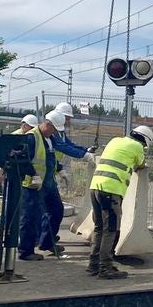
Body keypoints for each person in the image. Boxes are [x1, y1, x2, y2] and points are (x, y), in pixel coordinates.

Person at [87, 125, 153, 279]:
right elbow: (141, 164)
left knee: (99, 228)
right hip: (111, 190)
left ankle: (94, 264)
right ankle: (105, 268)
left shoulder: (115, 140)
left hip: (95, 186)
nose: (143, 147)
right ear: (144, 140)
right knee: (110, 230)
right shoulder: (136, 146)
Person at [37, 108, 95, 257]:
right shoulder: (48, 133)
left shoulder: (57, 131)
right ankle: (41, 241)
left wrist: (85, 150)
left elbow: (68, 145)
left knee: (52, 210)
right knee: (44, 211)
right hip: (39, 179)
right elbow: (63, 147)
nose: (69, 122)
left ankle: (45, 240)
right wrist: (84, 155)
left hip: (49, 175)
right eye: (67, 118)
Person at [16, 113, 62, 262]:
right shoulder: (32, 137)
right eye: (54, 129)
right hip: (32, 185)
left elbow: (50, 159)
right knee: (30, 217)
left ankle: (47, 242)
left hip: (48, 183)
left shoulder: (50, 139)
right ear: (47, 124)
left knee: (56, 210)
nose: (55, 132)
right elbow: (23, 158)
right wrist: (33, 175)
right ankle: (25, 250)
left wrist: (60, 169)